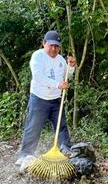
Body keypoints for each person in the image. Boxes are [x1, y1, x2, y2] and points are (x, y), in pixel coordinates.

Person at [16, 30, 77, 166]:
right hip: (39, 98)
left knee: (61, 127)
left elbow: (67, 76)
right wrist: (57, 84)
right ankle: (25, 155)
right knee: (33, 127)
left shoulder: (61, 60)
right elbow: (38, 77)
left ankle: (66, 151)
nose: (54, 49)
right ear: (44, 43)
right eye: (51, 45)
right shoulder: (37, 56)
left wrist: (71, 67)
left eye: (57, 46)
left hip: (56, 100)